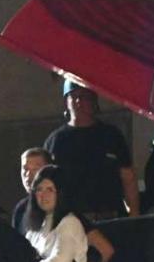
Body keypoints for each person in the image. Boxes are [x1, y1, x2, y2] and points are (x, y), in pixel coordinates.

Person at [43, 79, 140, 221]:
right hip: (72, 222)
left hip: (110, 216)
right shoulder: (56, 141)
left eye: (84, 96)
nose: (79, 102)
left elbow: (128, 177)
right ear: (66, 102)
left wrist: (134, 215)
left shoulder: (111, 135)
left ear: (94, 100)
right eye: (74, 97)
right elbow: (46, 184)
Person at [12, 146, 114, 262]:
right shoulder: (21, 210)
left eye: (36, 169)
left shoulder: (65, 210)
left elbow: (105, 248)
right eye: (25, 169)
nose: (29, 175)